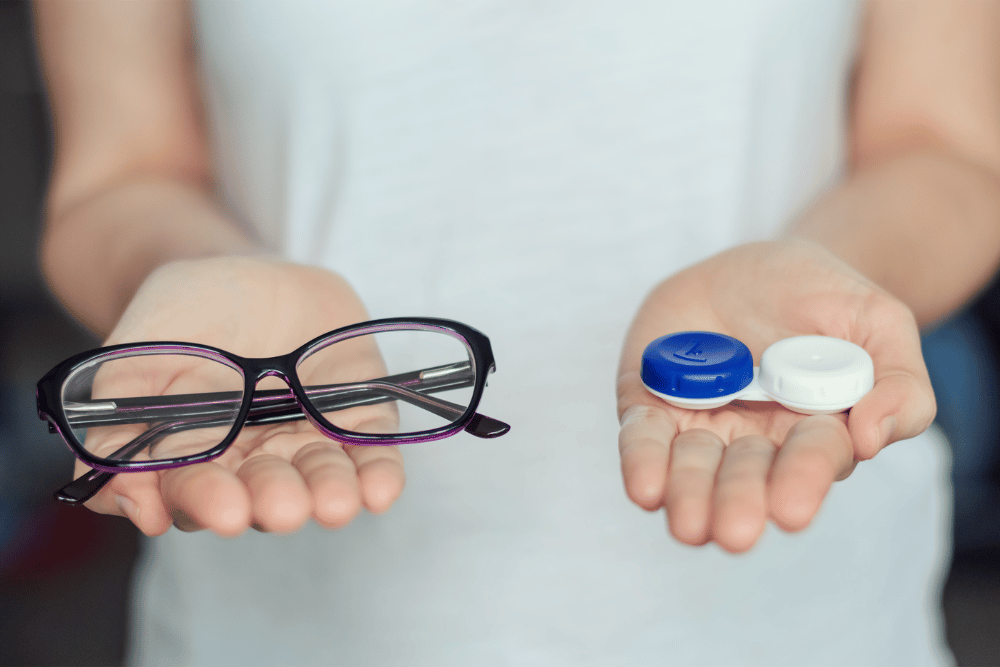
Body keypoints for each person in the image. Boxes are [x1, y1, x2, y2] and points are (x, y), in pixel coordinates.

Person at [32, 0, 1000, 664]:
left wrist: (831, 273)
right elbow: (115, 176)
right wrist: (189, 266)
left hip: (806, 625)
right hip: (280, 623)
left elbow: (945, 152)